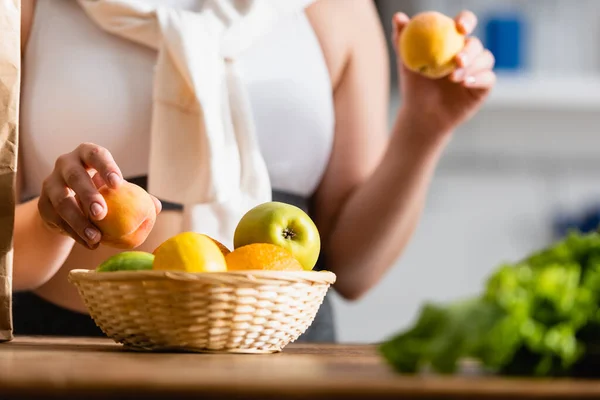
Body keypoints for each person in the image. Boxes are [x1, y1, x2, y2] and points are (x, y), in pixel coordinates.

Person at [12, 0, 495, 342]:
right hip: (71, 349)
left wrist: (423, 128)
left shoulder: (337, 11)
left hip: (286, 362)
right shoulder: (27, 9)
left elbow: (352, 269)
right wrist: (53, 219)